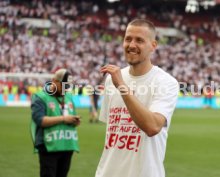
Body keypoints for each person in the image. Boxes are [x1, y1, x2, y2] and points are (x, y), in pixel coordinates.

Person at [95, 19, 179, 177]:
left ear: (153, 46)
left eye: (139, 40)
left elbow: (153, 127)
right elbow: (114, 133)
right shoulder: (111, 79)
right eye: (128, 39)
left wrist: (122, 86)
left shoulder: (166, 82)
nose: (131, 45)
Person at [30, 68, 81, 177]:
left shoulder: (68, 97)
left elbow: (71, 115)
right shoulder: (40, 97)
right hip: (49, 146)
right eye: (63, 86)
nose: (65, 90)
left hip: (67, 145)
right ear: (54, 81)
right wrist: (63, 119)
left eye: (67, 87)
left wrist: (74, 121)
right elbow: (40, 120)